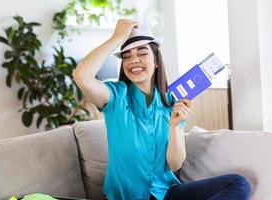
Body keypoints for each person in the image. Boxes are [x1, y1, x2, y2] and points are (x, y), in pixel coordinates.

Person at [73, 19, 251, 200]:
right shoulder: (115, 97)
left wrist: (174, 127)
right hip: (128, 196)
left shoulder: (172, 102)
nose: (134, 59)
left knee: (238, 183)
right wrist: (117, 38)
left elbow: (174, 165)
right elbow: (81, 76)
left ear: (156, 61)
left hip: (165, 194)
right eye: (127, 56)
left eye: (142, 53)